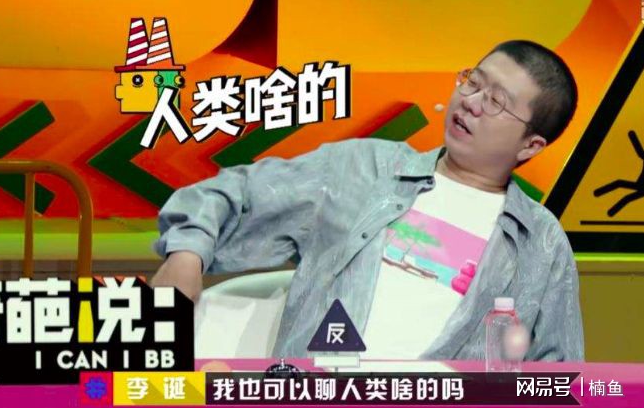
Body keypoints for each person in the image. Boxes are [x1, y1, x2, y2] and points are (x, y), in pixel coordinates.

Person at [151, 40, 585, 361]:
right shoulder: (362, 168)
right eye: (473, 82)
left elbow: (560, 376)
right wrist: (186, 256)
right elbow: (233, 192)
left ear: (530, 145)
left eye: (496, 102)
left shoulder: (541, 244)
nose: (470, 102)